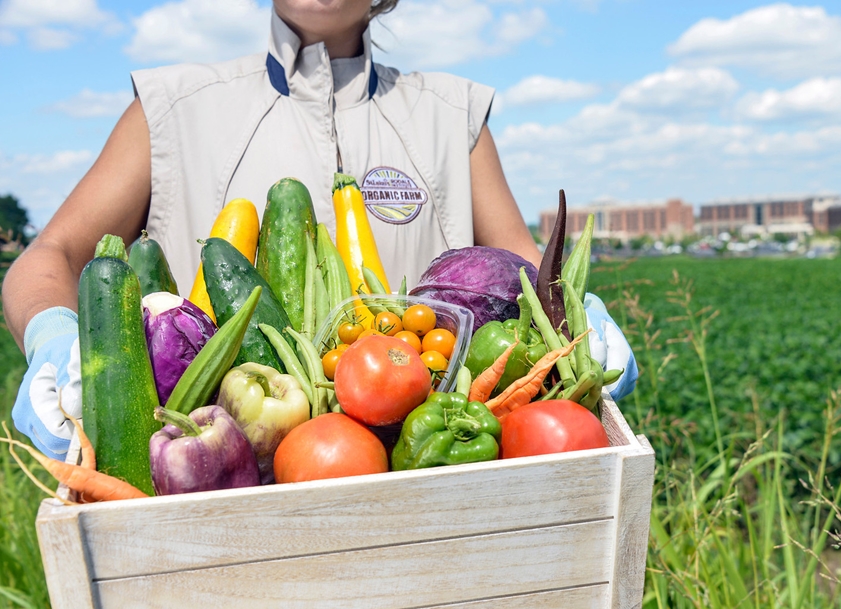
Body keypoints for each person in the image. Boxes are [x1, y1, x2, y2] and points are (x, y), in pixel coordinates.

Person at [3, 0, 637, 459]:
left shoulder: (454, 117)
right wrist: (52, 336)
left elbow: (528, 271)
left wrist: (580, 322)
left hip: (429, 475)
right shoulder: (171, 109)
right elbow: (51, 254)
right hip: (215, 487)